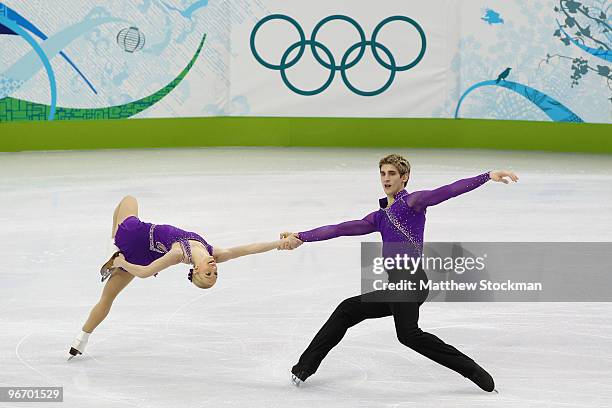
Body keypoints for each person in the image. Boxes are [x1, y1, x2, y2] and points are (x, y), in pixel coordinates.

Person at [281, 154, 518, 392]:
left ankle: (475, 373)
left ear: (404, 177)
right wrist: (302, 236)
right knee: (347, 310)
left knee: (409, 335)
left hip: (411, 281)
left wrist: (487, 176)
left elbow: (448, 190)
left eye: (392, 173)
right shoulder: (379, 217)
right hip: (398, 287)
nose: (386, 178)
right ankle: (303, 368)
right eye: (383, 173)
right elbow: (340, 228)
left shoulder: (413, 203)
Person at [68, 195, 298, 360]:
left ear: (196, 271)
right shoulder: (215, 253)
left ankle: (114, 245)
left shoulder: (179, 253)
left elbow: (146, 273)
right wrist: (280, 243)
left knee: (128, 200)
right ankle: (80, 341)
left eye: (208, 274)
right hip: (145, 255)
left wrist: (121, 262)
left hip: (135, 236)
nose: (213, 268)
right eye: (215, 273)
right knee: (107, 297)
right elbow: (250, 249)